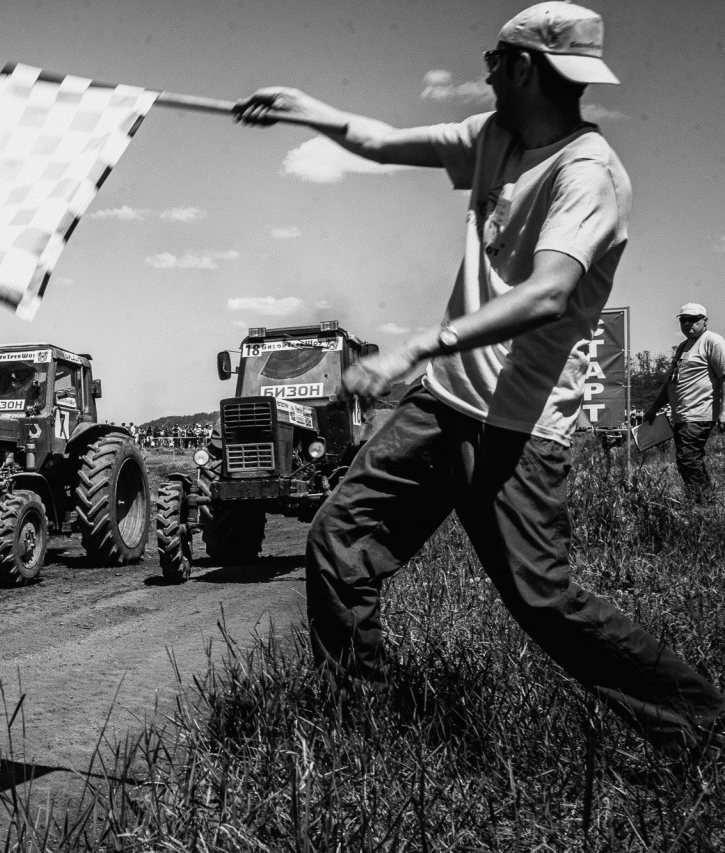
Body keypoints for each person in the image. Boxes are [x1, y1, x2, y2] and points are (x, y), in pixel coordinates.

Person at [235, 1, 723, 755]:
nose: (485, 71)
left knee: (543, 599)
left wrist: (419, 345)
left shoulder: (587, 173)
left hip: (516, 424)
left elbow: (549, 291)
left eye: (495, 59)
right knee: (338, 540)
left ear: (525, 67)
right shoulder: (493, 136)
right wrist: (307, 109)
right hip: (441, 404)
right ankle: (360, 726)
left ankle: (701, 724)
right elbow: (382, 142)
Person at [642, 303, 725, 504]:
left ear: (704, 321)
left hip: (699, 412)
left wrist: (724, 411)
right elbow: (672, 382)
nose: (687, 323)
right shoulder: (683, 346)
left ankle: (703, 504)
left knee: (687, 458)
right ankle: (701, 500)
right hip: (682, 415)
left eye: (693, 319)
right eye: (683, 320)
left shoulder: (713, 342)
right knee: (687, 459)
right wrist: (654, 408)